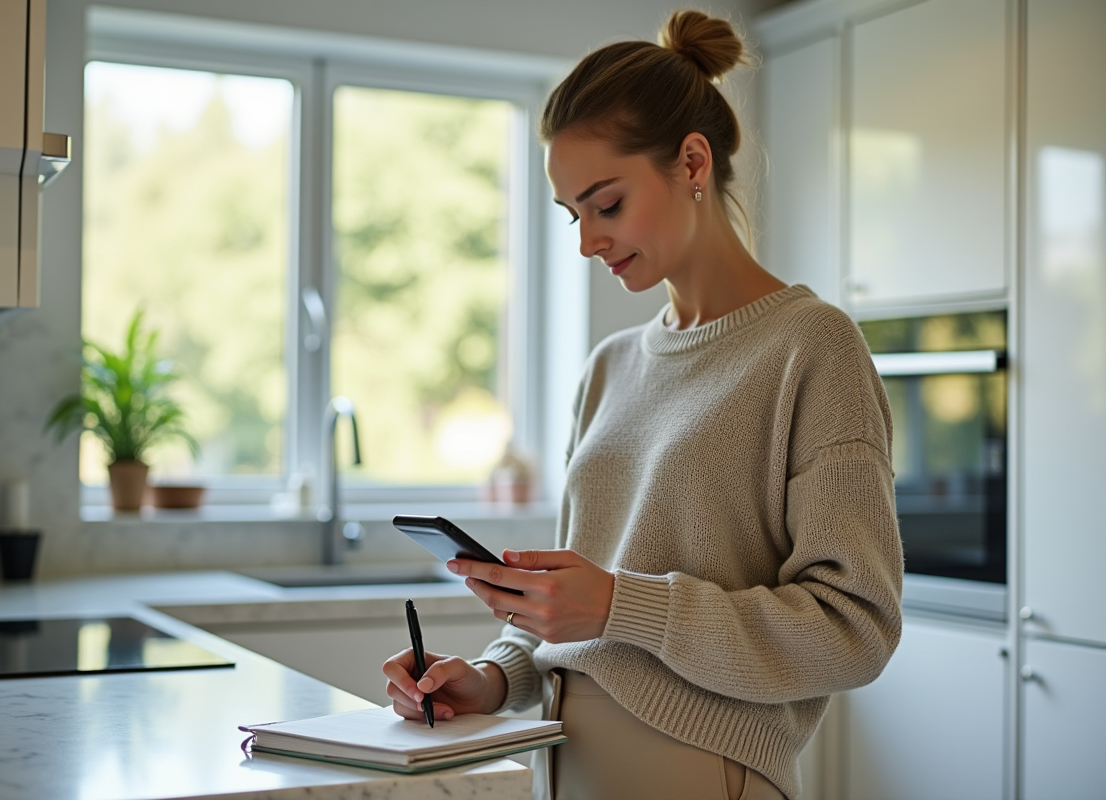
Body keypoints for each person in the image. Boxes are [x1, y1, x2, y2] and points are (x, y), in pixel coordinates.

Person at [382, 10, 904, 800]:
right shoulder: (610, 367)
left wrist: (621, 604)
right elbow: (586, 627)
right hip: (564, 761)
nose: (587, 241)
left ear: (692, 162)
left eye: (607, 204)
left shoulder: (812, 348)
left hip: (701, 769)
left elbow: (853, 629)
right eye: (573, 215)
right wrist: (491, 677)